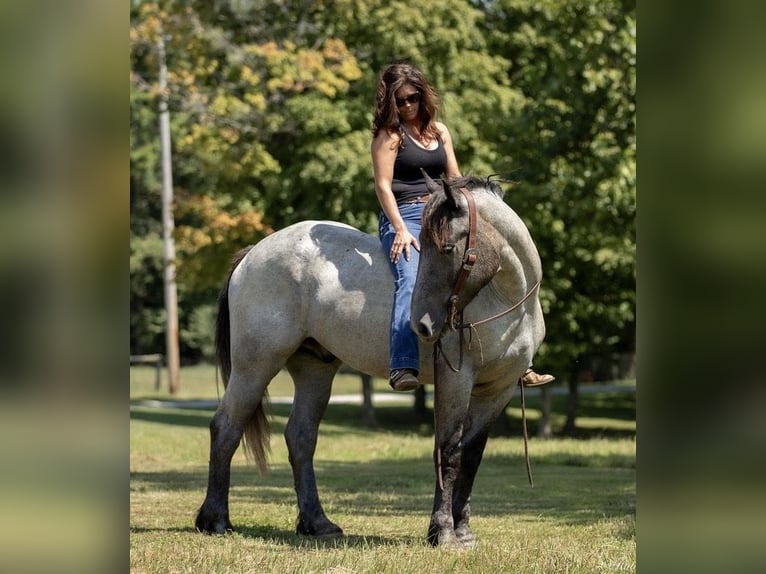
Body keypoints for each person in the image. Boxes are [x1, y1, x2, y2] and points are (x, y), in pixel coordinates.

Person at [371, 61, 554, 391]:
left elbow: (453, 178)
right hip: (406, 216)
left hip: (444, 213)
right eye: (400, 101)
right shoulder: (389, 137)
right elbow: (383, 186)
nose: (408, 106)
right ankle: (403, 365)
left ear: (423, 95)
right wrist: (398, 227)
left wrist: (473, 210)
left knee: (500, 267)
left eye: (413, 97)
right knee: (410, 278)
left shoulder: (440, 132)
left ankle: (519, 360)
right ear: (390, 104)